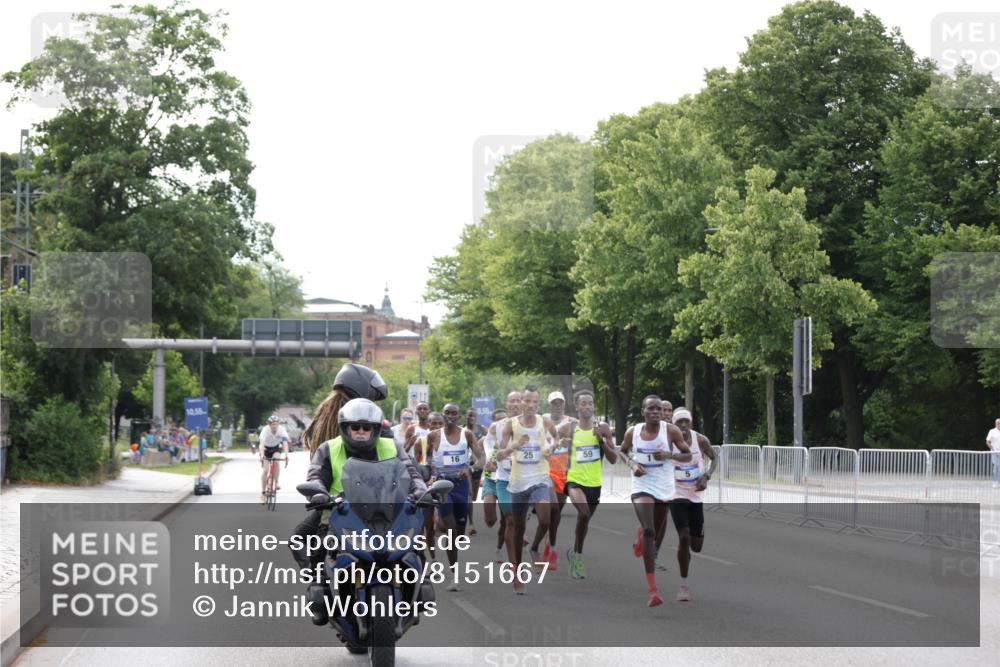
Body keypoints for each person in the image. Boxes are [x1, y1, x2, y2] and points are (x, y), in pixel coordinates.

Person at [620, 395, 692, 607]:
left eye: (659, 409)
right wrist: (632, 464)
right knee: (651, 530)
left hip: (664, 487)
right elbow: (622, 451)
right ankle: (653, 591)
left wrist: (669, 455)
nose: (655, 412)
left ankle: (642, 534)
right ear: (643, 411)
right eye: (651, 409)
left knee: (656, 531)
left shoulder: (671, 431)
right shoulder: (633, 432)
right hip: (641, 485)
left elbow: (688, 456)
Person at [496, 385, 560, 594]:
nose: (531, 405)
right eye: (527, 401)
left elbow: (555, 439)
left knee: (545, 518)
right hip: (518, 482)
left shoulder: (545, 421)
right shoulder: (510, 425)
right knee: (518, 528)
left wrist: (551, 448)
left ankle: (534, 548)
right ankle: (516, 573)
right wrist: (514, 446)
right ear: (521, 402)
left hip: (540, 477)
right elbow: (499, 455)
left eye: (535, 401)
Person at [427, 403, 485, 589]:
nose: (450, 416)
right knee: (451, 529)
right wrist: (432, 473)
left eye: (454, 413)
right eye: (447, 413)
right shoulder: (434, 436)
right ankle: (455, 575)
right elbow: (428, 459)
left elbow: (482, 458)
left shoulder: (466, 435)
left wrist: (469, 468)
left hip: (461, 486)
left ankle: (453, 558)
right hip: (443, 485)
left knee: (459, 531)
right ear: (443, 416)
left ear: (458, 416)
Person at [560, 390, 616, 579]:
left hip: (595, 483)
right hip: (574, 480)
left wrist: (601, 440)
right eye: (583, 403)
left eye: (590, 403)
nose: (587, 406)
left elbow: (613, 458)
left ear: (594, 406)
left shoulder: (603, 428)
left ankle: (575, 552)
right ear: (576, 406)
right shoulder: (568, 428)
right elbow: (550, 445)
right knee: (583, 513)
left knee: (584, 523)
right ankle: (579, 558)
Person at [668, 407, 718, 602]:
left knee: (696, 546)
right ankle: (684, 584)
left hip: (696, 495)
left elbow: (714, 458)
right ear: (674, 424)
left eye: (685, 421)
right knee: (684, 537)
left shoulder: (701, 440)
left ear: (690, 423)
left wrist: (707, 475)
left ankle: (686, 549)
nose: (682, 425)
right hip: (677, 494)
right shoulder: (668, 442)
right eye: (678, 422)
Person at [540, 391, 578, 570]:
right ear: (549, 405)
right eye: (554, 403)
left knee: (556, 513)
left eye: (560, 403)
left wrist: (568, 442)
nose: (557, 405)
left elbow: (578, 444)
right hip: (544, 469)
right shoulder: (541, 421)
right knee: (551, 508)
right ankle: (549, 548)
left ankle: (550, 545)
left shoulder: (570, 422)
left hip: (563, 469)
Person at [479, 407, 508, 562]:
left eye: (504, 419)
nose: (501, 422)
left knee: (506, 521)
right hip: (491, 481)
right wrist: (479, 465)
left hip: (505, 482)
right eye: (497, 419)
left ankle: (499, 548)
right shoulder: (486, 440)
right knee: (491, 520)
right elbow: (477, 458)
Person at [465, 407, 488, 536]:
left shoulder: (482, 429)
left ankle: (469, 515)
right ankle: (471, 523)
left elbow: (491, 440)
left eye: (473, 415)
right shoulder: (462, 429)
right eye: (469, 415)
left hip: (478, 465)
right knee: (468, 494)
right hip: (466, 465)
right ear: (466, 416)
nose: (471, 418)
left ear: (476, 417)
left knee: (473, 496)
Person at [259, 415, 290, 502]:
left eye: (276, 424)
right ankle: (263, 492)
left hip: (276, 448)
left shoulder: (281, 430)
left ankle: (276, 482)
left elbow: (285, 443)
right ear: (269, 425)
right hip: (265, 449)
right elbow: (262, 444)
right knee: (265, 470)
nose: (274, 426)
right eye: (272, 424)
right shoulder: (265, 430)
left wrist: (286, 455)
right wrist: (262, 455)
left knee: (276, 461)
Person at [987, 418, 1000, 487]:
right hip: (995, 452)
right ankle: (995, 481)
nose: (999, 424)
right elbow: (988, 442)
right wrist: (993, 449)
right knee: (996, 467)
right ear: (995, 424)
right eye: (998, 423)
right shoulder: (992, 431)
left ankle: (999, 481)